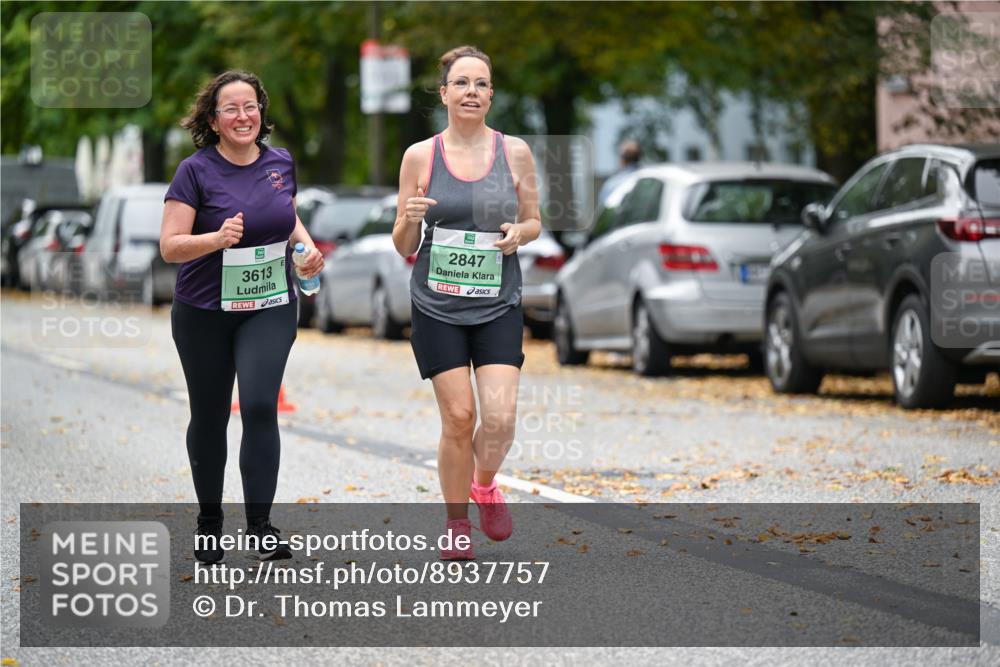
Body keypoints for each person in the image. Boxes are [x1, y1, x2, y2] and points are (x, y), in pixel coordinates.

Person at [160, 70, 324, 563]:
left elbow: (286, 215)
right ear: (213, 119)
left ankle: (260, 526)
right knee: (210, 416)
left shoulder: (280, 162)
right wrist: (215, 239)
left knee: (257, 406)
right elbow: (170, 247)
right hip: (204, 311)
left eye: (249, 106)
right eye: (230, 108)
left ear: (261, 112)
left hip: (270, 304)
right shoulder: (195, 171)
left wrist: (307, 246)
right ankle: (210, 522)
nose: (242, 116)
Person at [392, 46, 542, 560]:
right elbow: (404, 244)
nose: (471, 91)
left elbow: (535, 220)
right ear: (445, 94)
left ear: (491, 95)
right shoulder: (420, 156)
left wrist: (518, 234)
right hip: (436, 305)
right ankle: (457, 523)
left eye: (481, 83)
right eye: (461, 83)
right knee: (459, 417)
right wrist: (410, 216)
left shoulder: (515, 152)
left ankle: (484, 485)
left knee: (498, 418)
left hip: (498, 300)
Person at [597, 139, 642, 206]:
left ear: (622, 159)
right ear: (639, 158)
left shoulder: (612, 184)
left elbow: (603, 207)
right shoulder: (649, 180)